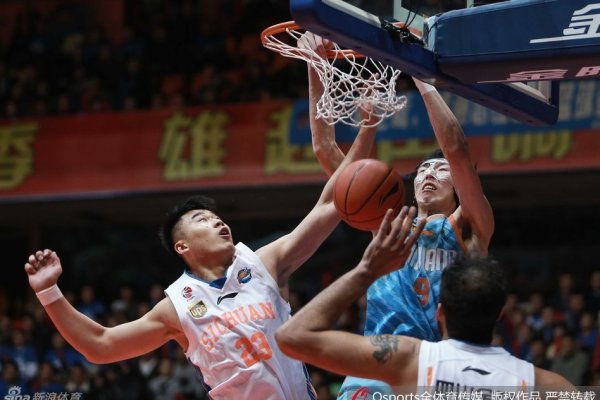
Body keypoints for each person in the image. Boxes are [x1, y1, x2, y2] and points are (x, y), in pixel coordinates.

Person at [23, 121, 377, 400]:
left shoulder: (263, 264)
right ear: (183, 246)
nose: (218, 222)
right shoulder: (177, 306)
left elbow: (333, 202)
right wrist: (49, 292)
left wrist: (368, 127)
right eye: (202, 220)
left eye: (217, 218)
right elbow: (101, 345)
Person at [303, 32, 494, 398]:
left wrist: (419, 73)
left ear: (459, 186)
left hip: (435, 373)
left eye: (441, 170)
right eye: (424, 170)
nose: (430, 173)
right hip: (372, 371)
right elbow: (324, 148)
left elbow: (456, 149)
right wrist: (316, 65)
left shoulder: (468, 226)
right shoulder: (386, 224)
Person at [275, 207, 574, 393]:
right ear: (500, 313)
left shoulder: (411, 360)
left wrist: (367, 271)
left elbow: (293, 336)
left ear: (440, 312)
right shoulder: (541, 384)